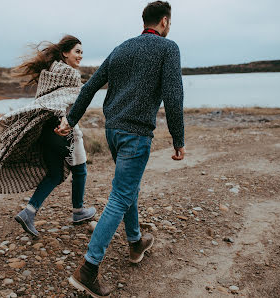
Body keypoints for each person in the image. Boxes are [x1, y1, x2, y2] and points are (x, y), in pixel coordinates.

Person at [56, 1, 185, 296]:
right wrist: (178, 139)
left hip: (113, 130)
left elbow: (90, 87)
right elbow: (173, 96)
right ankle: (88, 269)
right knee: (120, 195)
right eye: (169, 22)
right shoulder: (168, 48)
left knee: (128, 189)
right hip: (136, 133)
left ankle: (135, 241)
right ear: (164, 21)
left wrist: (70, 119)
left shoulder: (122, 47)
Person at [0, 35, 96, 237]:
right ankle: (79, 211)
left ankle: (29, 212)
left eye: (82, 52)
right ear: (65, 53)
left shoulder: (49, 72)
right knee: (80, 169)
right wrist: (67, 123)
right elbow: (67, 102)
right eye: (77, 51)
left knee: (54, 174)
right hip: (61, 130)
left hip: (43, 130)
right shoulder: (70, 74)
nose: (81, 56)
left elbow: (46, 100)